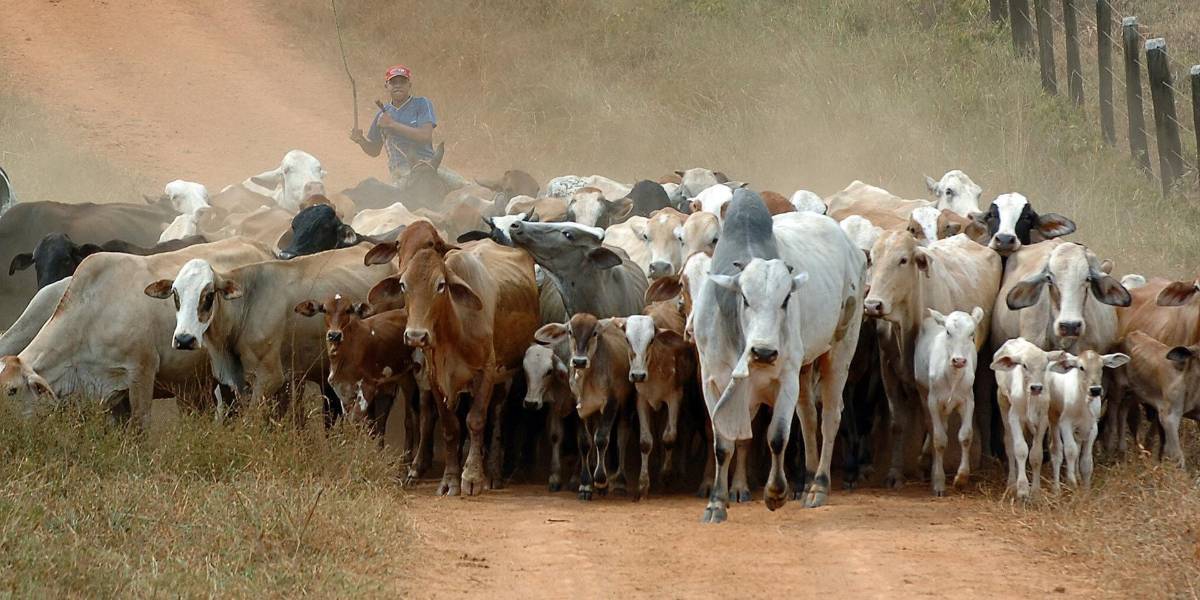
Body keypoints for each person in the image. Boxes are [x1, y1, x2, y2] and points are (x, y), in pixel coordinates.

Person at [349, 65, 467, 189]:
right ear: (387, 86)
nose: (398, 85)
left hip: (429, 165)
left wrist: (392, 124)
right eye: (393, 82)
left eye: (402, 82)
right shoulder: (380, 116)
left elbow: (425, 136)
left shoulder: (422, 103)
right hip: (401, 169)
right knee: (388, 198)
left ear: (409, 85)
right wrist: (360, 140)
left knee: (466, 187)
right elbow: (374, 151)